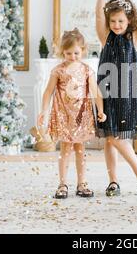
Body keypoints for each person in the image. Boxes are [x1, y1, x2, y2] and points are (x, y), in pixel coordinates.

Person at [95, 0, 137, 196]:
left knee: (117, 138)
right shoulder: (105, 38)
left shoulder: (135, 38)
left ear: (129, 20)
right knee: (109, 139)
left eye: (121, 21)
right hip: (106, 94)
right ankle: (114, 181)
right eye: (113, 21)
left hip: (127, 95)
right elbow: (97, 16)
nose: (117, 25)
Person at [37, 28, 106, 199]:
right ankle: (62, 184)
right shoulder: (58, 70)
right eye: (68, 53)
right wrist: (44, 111)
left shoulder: (86, 70)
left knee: (80, 150)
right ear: (62, 52)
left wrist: (101, 110)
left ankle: (82, 183)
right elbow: (48, 92)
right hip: (63, 115)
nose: (73, 56)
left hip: (81, 116)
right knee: (65, 150)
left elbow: (95, 91)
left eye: (76, 53)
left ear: (83, 50)